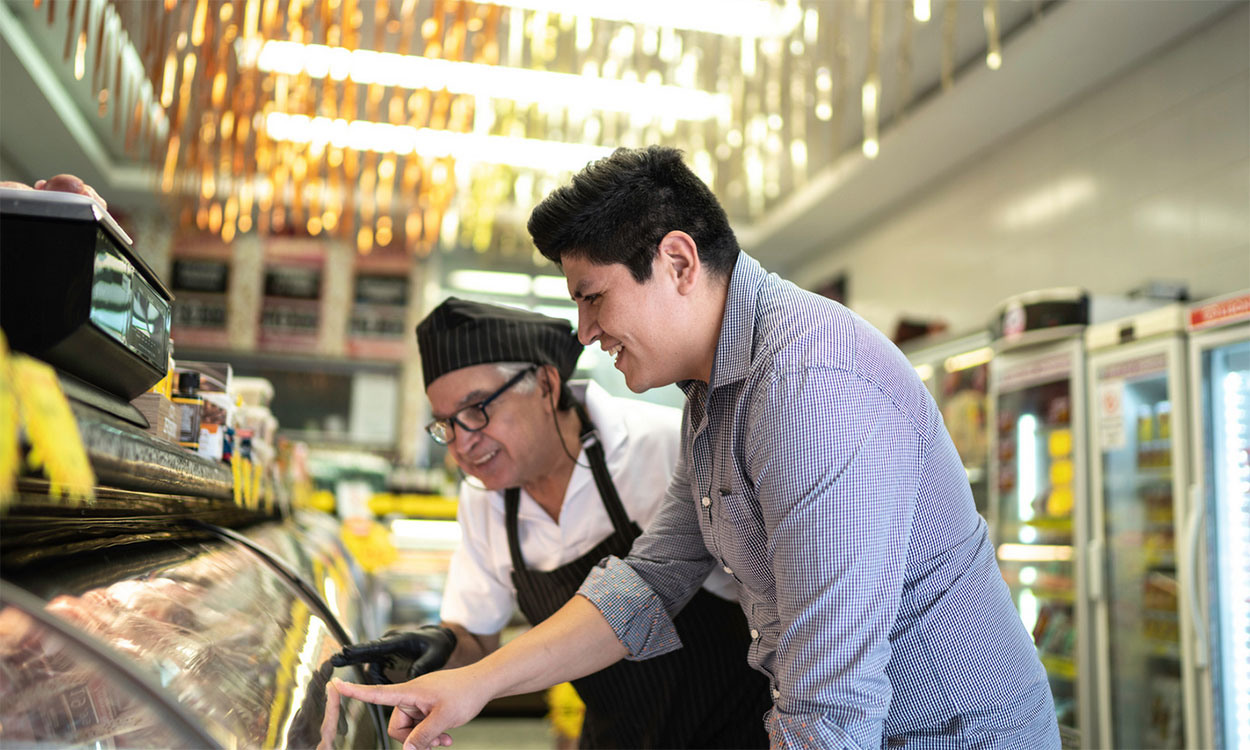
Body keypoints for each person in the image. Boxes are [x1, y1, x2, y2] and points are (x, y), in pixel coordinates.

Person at [334, 147, 1061, 750]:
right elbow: (647, 585)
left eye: (593, 298)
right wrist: (472, 683)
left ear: (679, 262)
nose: (584, 332)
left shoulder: (808, 388)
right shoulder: (716, 396)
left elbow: (830, 708)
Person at [333, 297, 771, 749]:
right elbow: (476, 639)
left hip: (738, 730)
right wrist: (438, 647)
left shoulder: (665, 446)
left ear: (544, 383)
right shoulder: (483, 498)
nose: (461, 444)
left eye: (476, 410)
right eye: (446, 424)